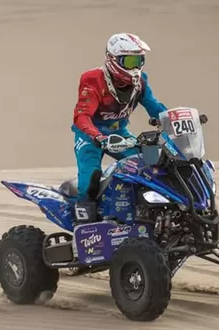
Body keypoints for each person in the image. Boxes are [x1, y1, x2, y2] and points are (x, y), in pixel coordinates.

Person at [71, 32, 168, 223]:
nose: (135, 67)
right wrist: (99, 138)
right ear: (112, 59)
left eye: (139, 61)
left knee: (148, 168)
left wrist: (171, 120)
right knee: (89, 182)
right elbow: (81, 117)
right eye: (129, 61)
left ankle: (143, 215)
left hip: (120, 134)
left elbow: (154, 106)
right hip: (91, 136)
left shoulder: (140, 82)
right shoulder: (93, 80)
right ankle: (81, 227)